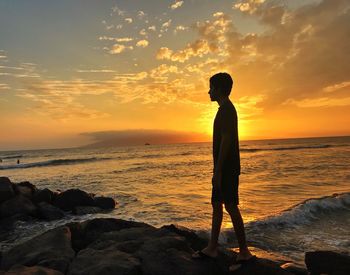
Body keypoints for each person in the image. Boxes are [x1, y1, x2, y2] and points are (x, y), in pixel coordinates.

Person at [192, 72, 256, 272]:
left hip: (227, 168)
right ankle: (212, 247)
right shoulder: (224, 110)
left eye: (211, 87)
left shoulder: (227, 110)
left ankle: (244, 251)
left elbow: (227, 140)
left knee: (230, 205)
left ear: (219, 89)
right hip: (224, 167)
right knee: (216, 204)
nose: (208, 91)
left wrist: (218, 170)